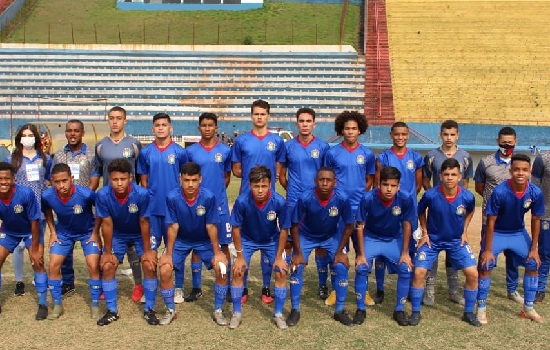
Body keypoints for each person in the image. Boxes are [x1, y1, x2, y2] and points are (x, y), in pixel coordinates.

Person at [409, 158, 480, 327]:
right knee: (419, 272)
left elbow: (470, 211)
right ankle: (415, 312)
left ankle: (469, 312)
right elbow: (420, 212)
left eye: (453, 174)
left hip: (456, 241)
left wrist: (464, 230)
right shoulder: (431, 195)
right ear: (440, 175)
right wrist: (425, 232)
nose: (449, 178)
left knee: (473, 273)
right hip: (433, 240)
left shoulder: (467, 196)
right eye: (446, 174)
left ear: (459, 176)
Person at [477, 154, 545, 324]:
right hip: (498, 232)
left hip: (517, 233)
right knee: (485, 265)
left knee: (533, 263)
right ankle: (481, 308)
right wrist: (487, 249)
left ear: (530, 171)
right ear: (510, 170)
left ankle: (528, 308)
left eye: (524, 170)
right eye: (516, 169)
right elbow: (490, 221)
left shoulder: (535, 192)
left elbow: (536, 219)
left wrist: (534, 248)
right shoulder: (500, 191)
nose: (520, 173)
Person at [287, 167, 357, 326]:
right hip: (306, 236)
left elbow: (348, 225)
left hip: (330, 237)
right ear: (315, 181)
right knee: (296, 266)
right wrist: (297, 252)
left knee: (340, 266)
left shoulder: (342, 198)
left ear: (335, 182)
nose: (324, 183)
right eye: (321, 179)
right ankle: (295, 309)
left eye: (328, 180)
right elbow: (295, 225)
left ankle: (339, 310)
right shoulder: (305, 197)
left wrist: (340, 251)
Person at [231, 99, 285, 304]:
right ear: (251, 116)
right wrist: (251, 180)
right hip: (247, 198)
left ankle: (266, 287)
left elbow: (279, 167)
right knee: (245, 238)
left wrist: (267, 182)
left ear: (268, 116)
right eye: (256, 114)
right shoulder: (242, 141)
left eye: (263, 114)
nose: (259, 117)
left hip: (269, 200)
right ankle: (242, 288)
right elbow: (236, 169)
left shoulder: (277, 141)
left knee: (268, 237)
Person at [161, 162, 227, 326]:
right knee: (164, 269)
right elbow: (173, 226)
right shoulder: (172, 197)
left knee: (222, 268)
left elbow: (211, 225)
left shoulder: (208, 196)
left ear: (200, 180)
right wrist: (168, 253)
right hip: (182, 240)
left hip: (203, 240)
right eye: (186, 180)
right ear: (180, 179)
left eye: (194, 180)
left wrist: (217, 252)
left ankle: (218, 310)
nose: (190, 184)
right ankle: (170, 310)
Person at [94, 158, 158, 326]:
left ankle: (149, 309)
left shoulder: (142, 194)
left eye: (123, 179)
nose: (119, 183)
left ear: (130, 177)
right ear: (109, 179)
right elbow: (106, 224)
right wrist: (107, 252)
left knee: (149, 264)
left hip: (139, 233)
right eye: (115, 179)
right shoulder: (102, 195)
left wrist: (147, 251)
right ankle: (112, 311)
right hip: (118, 234)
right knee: (108, 265)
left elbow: (145, 222)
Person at [92, 106, 144, 303]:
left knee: (133, 246)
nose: (115, 121)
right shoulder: (100, 146)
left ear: (125, 121)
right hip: (109, 201)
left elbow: (140, 174)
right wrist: (93, 193)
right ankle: (108, 282)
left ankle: (138, 285)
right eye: (112, 118)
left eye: (119, 118)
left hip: (131, 202)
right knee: (109, 240)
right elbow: (97, 171)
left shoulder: (134, 144)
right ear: (108, 120)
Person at [323, 110, 375, 306]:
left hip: (360, 210)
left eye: (354, 128)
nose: (350, 131)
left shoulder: (367, 154)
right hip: (339, 211)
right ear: (341, 130)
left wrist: (361, 196)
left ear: (359, 130)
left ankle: (364, 290)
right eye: (347, 128)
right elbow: (326, 178)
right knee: (339, 250)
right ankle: (337, 289)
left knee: (363, 251)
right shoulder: (332, 153)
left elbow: (370, 179)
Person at [279, 108, 331, 300]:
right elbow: (282, 175)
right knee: (290, 243)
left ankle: (323, 283)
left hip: (316, 202)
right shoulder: (288, 147)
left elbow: (326, 175)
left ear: (314, 124)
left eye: (308, 121)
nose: (305, 124)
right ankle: (292, 278)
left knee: (320, 242)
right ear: (297, 124)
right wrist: (292, 190)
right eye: (301, 121)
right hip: (293, 201)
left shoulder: (323, 147)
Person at [229, 165, 290, 329]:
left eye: (264, 186)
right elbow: (235, 228)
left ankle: (278, 313)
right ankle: (236, 313)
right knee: (237, 270)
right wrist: (240, 256)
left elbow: (284, 229)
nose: (260, 190)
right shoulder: (242, 201)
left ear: (270, 184)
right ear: (250, 185)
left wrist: (278, 258)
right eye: (256, 186)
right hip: (247, 239)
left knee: (281, 270)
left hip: (271, 240)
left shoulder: (279, 201)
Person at [136, 113, 188, 302]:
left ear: (170, 128)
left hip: (174, 211)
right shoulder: (146, 152)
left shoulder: (180, 152)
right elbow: (143, 180)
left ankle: (178, 287)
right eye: (157, 125)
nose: (160, 128)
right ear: (152, 128)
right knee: (149, 249)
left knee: (175, 250)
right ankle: (150, 287)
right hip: (153, 209)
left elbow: (186, 178)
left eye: (164, 125)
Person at [355, 166, 415, 326]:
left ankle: (399, 309)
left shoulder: (405, 198)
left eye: (393, 185)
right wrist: (360, 254)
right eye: (385, 184)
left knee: (405, 268)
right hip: (372, 238)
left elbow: (407, 225)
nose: (389, 189)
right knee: (361, 267)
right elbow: (359, 225)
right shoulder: (367, 198)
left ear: (398, 186)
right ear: (378, 184)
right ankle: (360, 309)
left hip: (393, 239)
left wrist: (405, 253)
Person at [422, 119, 473, 305]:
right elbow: (426, 180)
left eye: (452, 134)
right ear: (440, 135)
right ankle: (430, 291)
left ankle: (453, 291)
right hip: (437, 210)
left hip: (456, 213)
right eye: (446, 134)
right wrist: (434, 198)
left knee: (454, 249)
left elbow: (466, 185)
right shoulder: (431, 156)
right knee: (432, 250)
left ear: (457, 135)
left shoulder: (466, 157)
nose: (449, 138)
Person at [41, 164, 101, 320]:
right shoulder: (47, 195)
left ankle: (95, 305)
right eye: (57, 182)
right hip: (64, 234)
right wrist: (53, 232)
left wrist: (95, 233)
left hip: (87, 233)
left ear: (71, 179)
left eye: (64, 181)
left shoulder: (86, 194)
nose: (61, 185)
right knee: (53, 264)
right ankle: (57, 305)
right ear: (52, 182)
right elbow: (47, 210)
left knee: (93, 264)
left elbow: (101, 211)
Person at [373, 121, 423, 304]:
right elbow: (379, 183)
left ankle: (409, 286)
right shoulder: (383, 157)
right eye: (397, 134)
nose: (400, 137)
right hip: (387, 208)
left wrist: (406, 200)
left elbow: (417, 185)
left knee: (409, 247)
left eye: (404, 134)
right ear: (391, 135)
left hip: (407, 209)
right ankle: (379, 288)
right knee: (380, 250)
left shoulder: (416, 158)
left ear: (408, 135)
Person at [185, 113, 232, 304]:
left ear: (216, 128)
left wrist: (217, 195)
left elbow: (227, 176)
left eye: (210, 125)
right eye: (203, 125)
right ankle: (196, 287)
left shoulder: (225, 150)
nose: (207, 128)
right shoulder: (191, 152)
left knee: (224, 245)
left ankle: (226, 284)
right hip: (197, 206)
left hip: (219, 206)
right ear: (199, 128)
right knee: (197, 243)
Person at [473, 127, 523, 304]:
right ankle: (481, 286)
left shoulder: (520, 164)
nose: (507, 144)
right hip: (491, 219)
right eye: (504, 141)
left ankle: (512, 289)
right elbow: (480, 187)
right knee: (487, 253)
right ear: (497, 141)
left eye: (510, 142)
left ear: (515, 142)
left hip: (514, 219)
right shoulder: (486, 162)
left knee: (513, 256)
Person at [52, 119, 99, 297]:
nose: (72, 134)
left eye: (76, 131)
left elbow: (95, 177)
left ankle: (96, 281)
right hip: (64, 207)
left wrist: (84, 197)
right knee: (66, 247)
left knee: (91, 247)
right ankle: (68, 282)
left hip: (85, 207)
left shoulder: (92, 155)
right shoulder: (58, 155)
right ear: (66, 133)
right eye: (69, 131)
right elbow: (53, 178)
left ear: (82, 133)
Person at [7, 123, 51, 298]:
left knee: (36, 245)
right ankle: (19, 281)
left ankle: (37, 278)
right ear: (19, 139)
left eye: (30, 135)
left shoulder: (45, 158)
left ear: (36, 138)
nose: (27, 138)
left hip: (39, 209)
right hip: (19, 209)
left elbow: (50, 179)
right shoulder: (14, 158)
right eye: (24, 135)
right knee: (18, 247)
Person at [0, 162, 48, 319]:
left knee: (37, 262)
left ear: (13, 179)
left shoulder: (25, 193)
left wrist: (34, 248)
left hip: (30, 231)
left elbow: (35, 221)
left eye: (7, 178)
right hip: (9, 232)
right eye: (0, 179)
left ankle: (42, 303)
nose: (3, 182)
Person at [531, 149, 550, 303]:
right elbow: (535, 187)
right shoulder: (543, 158)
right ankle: (540, 288)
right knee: (545, 253)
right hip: (546, 215)